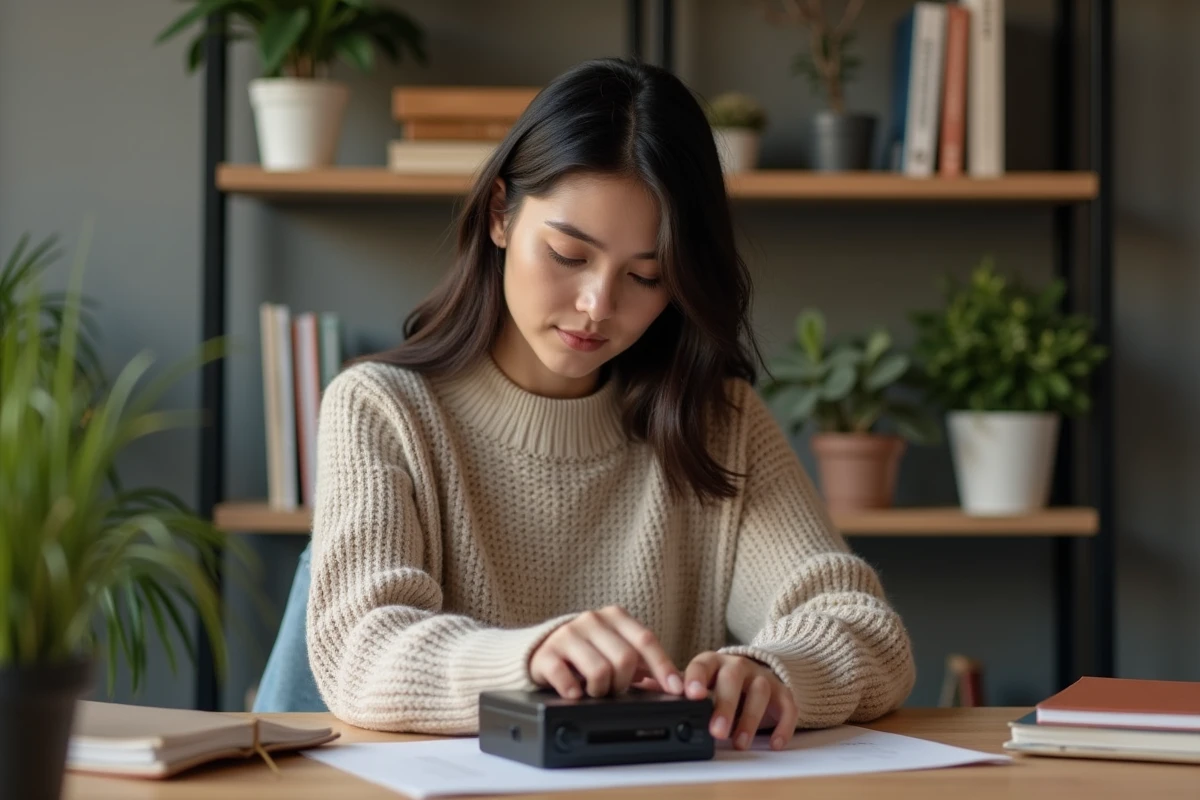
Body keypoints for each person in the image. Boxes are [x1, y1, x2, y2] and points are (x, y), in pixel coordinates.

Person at [306, 56, 915, 751]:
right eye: (568, 254)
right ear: (501, 214)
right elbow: (357, 649)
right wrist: (529, 659)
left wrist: (772, 671)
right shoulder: (383, 409)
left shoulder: (718, 423)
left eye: (645, 275)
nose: (598, 306)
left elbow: (864, 627)